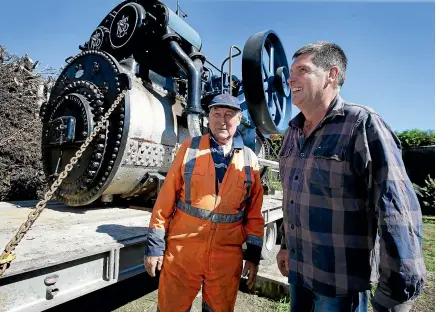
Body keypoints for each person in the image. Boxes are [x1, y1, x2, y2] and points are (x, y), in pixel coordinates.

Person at [276, 41, 426, 312]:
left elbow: (397, 213)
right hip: (300, 274)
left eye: (302, 70)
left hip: (339, 287)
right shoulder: (292, 133)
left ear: (331, 75)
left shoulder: (363, 124)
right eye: (291, 71)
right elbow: (293, 199)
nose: (290, 78)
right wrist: (286, 246)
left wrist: (396, 294)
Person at [143, 93, 265, 311]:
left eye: (229, 115)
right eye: (216, 114)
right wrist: (154, 247)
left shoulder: (249, 159)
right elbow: (165, 199)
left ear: (239, 120)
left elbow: (254, 213)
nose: (222, 120)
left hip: (226, 258)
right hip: (183, 252)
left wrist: (253, 257)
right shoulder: (190, 148)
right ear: (208, 117)